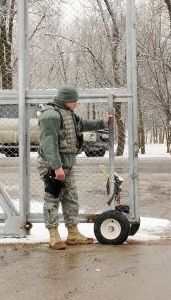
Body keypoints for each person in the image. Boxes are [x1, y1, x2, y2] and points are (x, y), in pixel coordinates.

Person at [38, 85, 114, 250]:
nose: (76, 104)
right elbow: (48, 144)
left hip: (67, 164)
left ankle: (73, 233)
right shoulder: (50, 116)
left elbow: (82, 125)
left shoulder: (68, 113)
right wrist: (56, 167)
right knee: (52, 199)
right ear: (65, 99)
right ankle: (53, 236)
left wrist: (102, 123)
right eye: (74, 101)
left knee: (71, 198)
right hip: (52, 166)